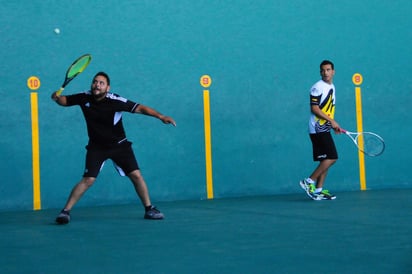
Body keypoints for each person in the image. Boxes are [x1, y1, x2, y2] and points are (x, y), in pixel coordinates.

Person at [51, 71, 176, 224]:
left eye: (101, 83)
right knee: (88, 180)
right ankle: (65, 212)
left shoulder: (116, 100)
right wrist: (57, 98)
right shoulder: (84, 97)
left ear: (107, 87)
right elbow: (65, 101)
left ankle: (149, 209)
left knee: (136, 176)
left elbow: (140, 108)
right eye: (95, 82)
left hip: (120, 146)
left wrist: (161, 116)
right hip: (96, 147)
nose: (97, 85)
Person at [299, 60, 341, 200]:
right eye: (323, 70)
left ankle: (318, 190)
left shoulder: (332, 86)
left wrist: (332, 125)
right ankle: (308, 181)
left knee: (325, 160)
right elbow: (315, 108)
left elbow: (327, 109)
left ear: (333, 71)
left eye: (328, 70)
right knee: (332, 157)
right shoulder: (317, 87)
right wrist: (332, 121)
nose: (325, 72)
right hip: (317, 129)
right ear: (320, 72)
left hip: (324, 127)